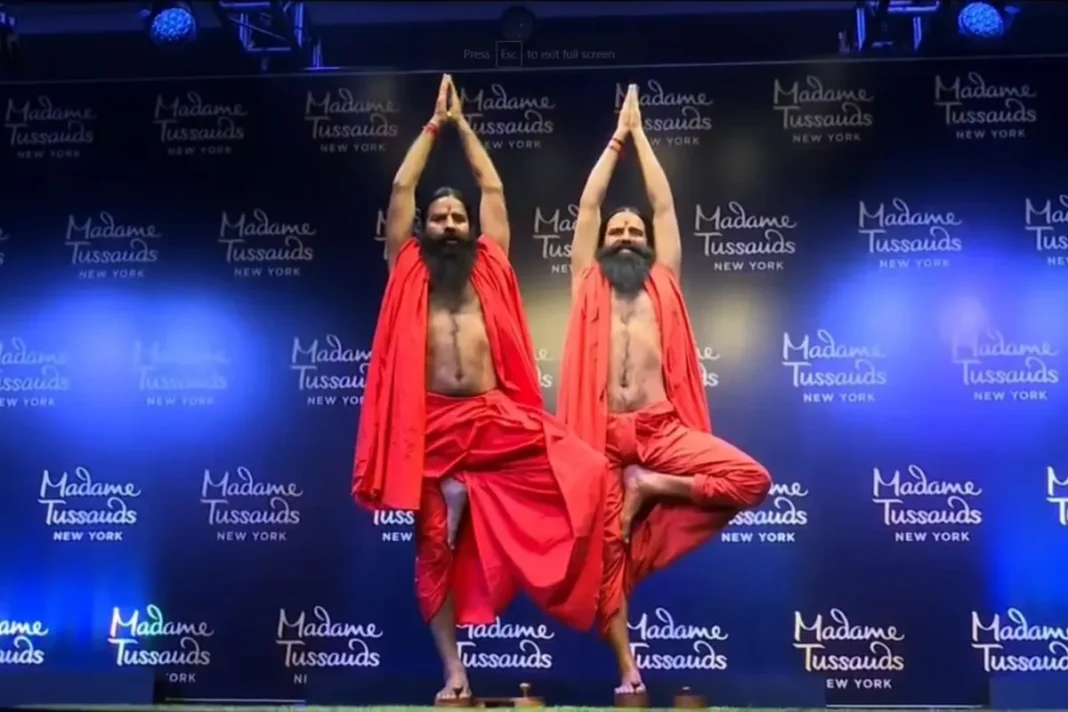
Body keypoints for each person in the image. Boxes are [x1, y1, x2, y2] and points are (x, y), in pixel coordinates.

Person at [352, 75, 611, 704]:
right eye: (438, 217)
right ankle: (454, 672)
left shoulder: (490, 263)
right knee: (433, 549)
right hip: (433, 428)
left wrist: (463, 126)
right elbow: (401, 188)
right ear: (425, 228)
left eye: (456, 217)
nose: (447, 223)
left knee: (585, 468)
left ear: (471, 227)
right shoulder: (407, 266)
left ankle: (533, 552)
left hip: (496, 419)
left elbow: (492, 187)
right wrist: (431, 129)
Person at [558, 84, 773, 698]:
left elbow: (665, 204)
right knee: (606, 564)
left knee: (750, 481)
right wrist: (614, 142)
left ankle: (652, 487)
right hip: (599, 440)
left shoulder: (664, 282)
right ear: (602, 245)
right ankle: (629, 670)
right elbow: (588, 207)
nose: (625, 235)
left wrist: (642, 136)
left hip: (660, 433)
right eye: (617, 232)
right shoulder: (586, 282)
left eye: (634, 231)